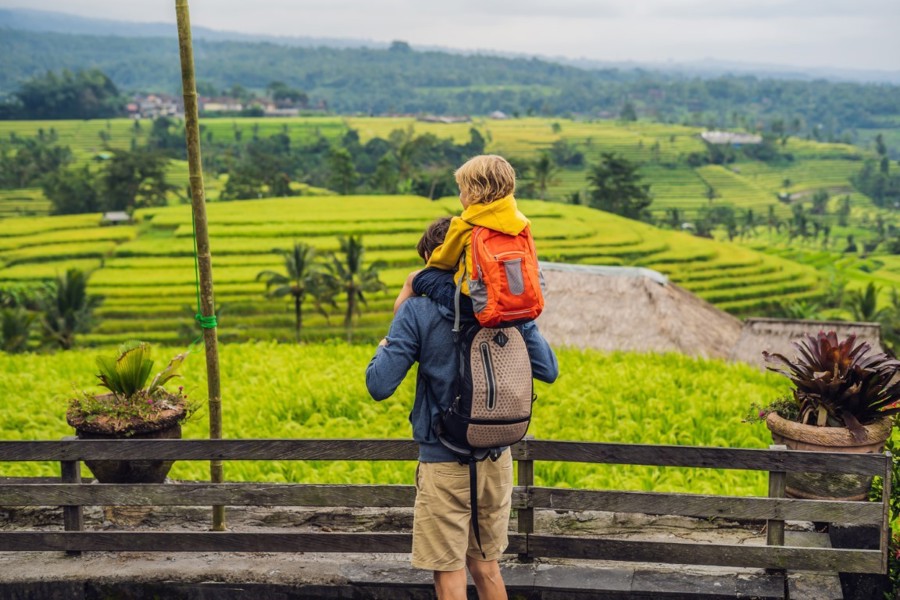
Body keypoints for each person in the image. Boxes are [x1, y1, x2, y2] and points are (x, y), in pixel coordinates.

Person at [367, 217, 558, 600]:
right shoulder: (505, 311)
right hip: (496, 457)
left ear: (431, 260)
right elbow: (548, 371)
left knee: (450, 573)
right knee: (487, 568)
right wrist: (522, 319)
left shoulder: (417, 313)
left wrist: (398, 315)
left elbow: (379, 384)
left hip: (443, 460)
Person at [393, 154, 533, 316]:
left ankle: (395, 331)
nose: (460, 196)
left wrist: (431, 257)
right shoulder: (522, 224)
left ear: (473, 193)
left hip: (473, 303)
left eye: (461, 191)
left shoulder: (464, 224)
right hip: (515, 299)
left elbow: (442, 261)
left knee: (412, 280)